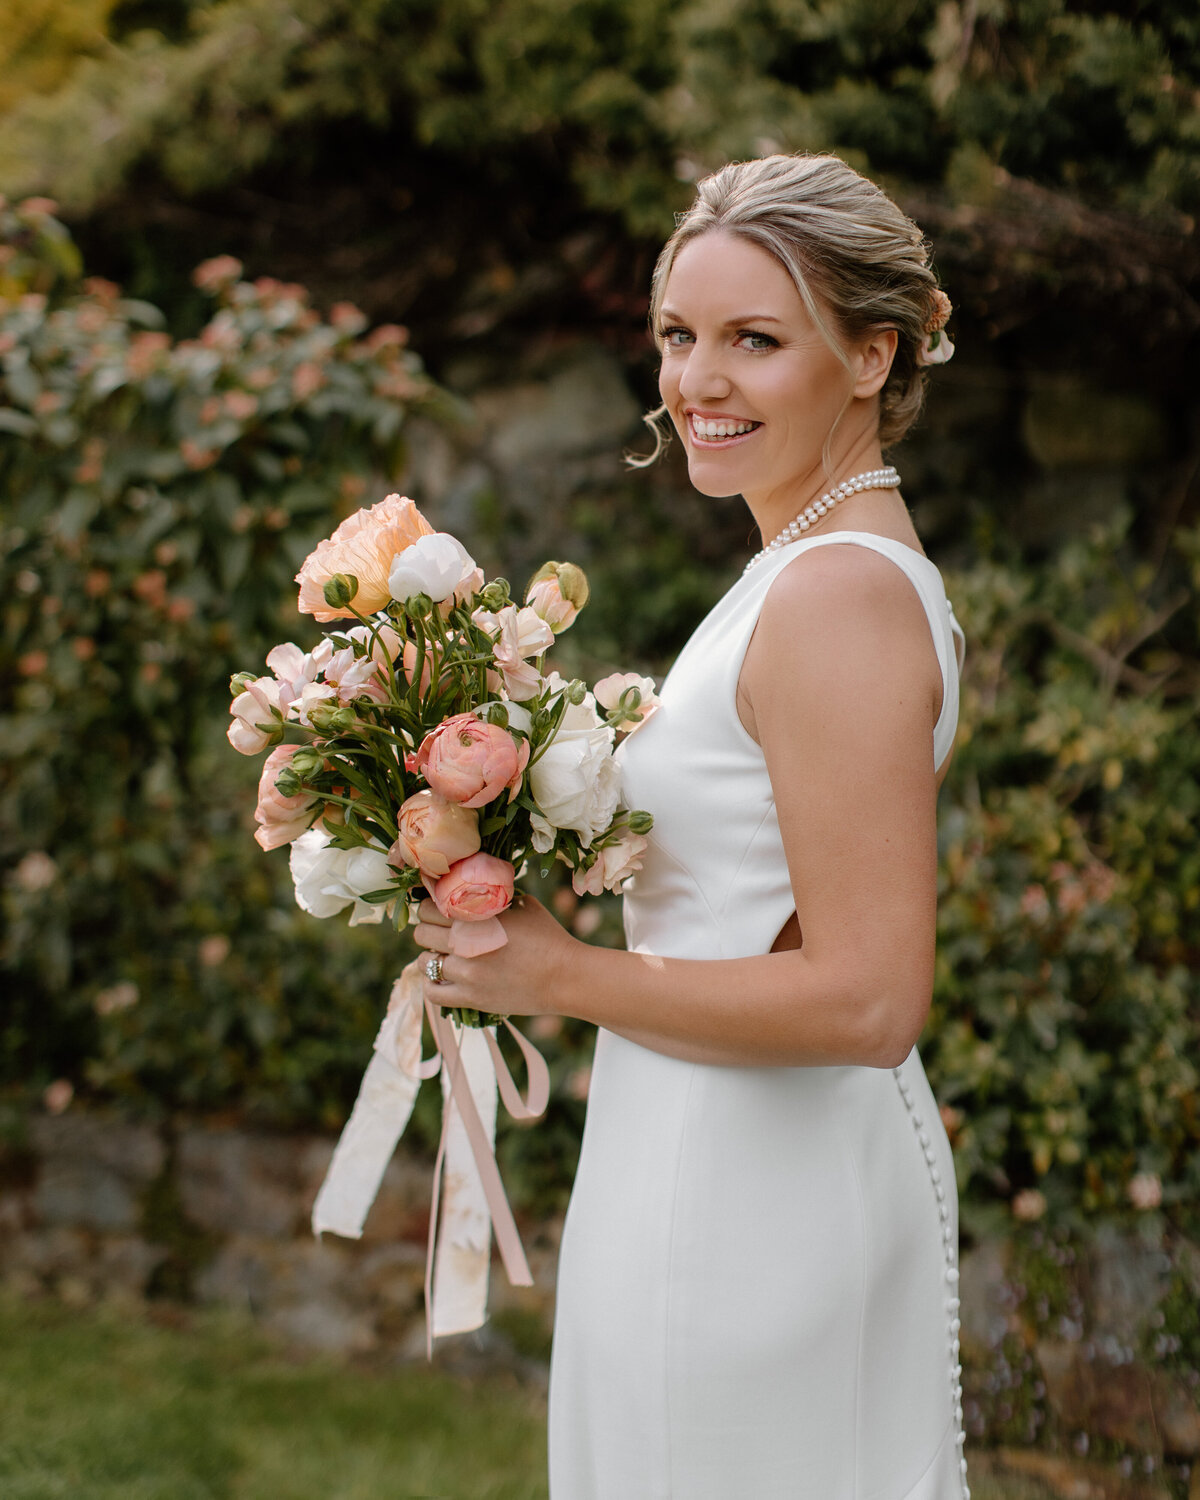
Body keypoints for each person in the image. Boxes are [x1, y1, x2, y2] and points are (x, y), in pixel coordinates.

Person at [413, 152, 970, 1500]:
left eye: (754, 340)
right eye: (679, 335)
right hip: (697, 1139)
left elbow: (871, 998)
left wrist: (558, 976)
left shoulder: (838, 597)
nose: (697, 382)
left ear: (869, 355)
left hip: (758, 1194)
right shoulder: (799, 573)